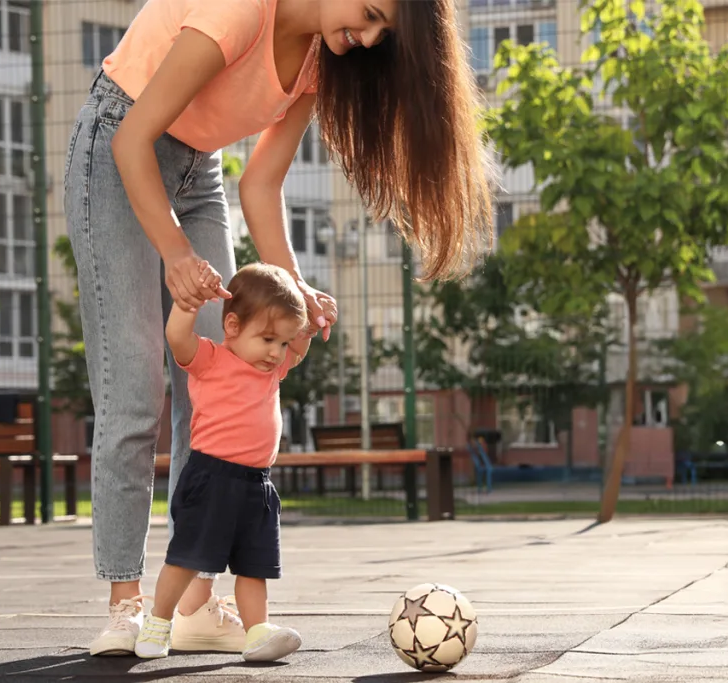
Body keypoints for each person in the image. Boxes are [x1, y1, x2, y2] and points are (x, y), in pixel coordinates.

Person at [62, 0, 494, 657]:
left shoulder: (321, 58)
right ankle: (125, 604)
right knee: (135, 390)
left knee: (215, 377)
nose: (367, 38)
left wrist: (293, 294)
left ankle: (196, 606)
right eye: (374, 14)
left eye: (383, 35)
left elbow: (260, 183)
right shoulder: (238, 11)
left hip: (198, 169)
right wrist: (177, 254)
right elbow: (131, 140)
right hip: (118, 146)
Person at [133, 262, 313, 662]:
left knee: (254, 566)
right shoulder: (211, 359)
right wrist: (189, 301)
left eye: (281, 343)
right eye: (268, 339)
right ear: (232, 326)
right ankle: (159, 623)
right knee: (187, 558)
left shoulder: (271, 367)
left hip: (257, 485)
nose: (276, 352)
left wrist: (313, 317)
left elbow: (300, 344)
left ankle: (257, 633)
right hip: (211, 478)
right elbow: (176, 336)